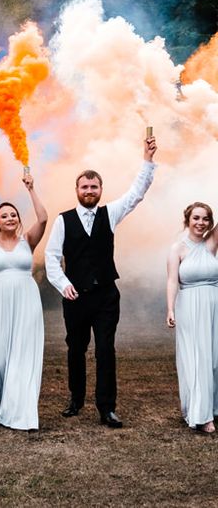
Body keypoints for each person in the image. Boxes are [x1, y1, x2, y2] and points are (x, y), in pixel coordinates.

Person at [45, 134, 157, 428]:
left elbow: (137, 193)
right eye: (85, 186)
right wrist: (63, 285)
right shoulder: (63, 220)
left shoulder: (111, 213)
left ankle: (107, 408)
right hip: (76, 297)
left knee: (106, 349)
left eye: (94, 187)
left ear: (101, 189)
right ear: (77, 190)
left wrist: (146, 160)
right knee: (75, 348)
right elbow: (51, 256)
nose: (90, 191)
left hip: (106, 295)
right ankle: (76, 399)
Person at [0, 172, 48, 430]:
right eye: (4, 215)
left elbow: (43, 218)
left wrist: (31, 189)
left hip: (26, 301)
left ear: (18, 219)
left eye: (13, 214)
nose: (10, 218)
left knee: (22, 354)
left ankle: (18, 405)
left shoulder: (27, 240)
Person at [166, 202, 218, 434]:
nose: (201, 223)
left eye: (206, 219)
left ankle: (212, 407)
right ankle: (202, 416)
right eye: (196, 218)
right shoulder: (177, 248)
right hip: (189, 307)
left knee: (214, 359)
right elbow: (171, 281)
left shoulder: (211, 243)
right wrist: (170, 309)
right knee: (197, 360)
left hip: (214, 305)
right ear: (187, 219)